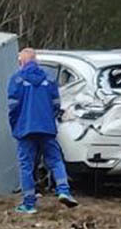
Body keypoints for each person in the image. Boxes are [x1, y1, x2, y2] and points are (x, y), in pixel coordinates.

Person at [7, 48, 78, 214]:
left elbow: (12, 108)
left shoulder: (16, 79)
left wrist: (15, 127)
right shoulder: (49, 78)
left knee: (26, 165)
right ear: (36, 60)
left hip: (25, 129)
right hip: (47, 128)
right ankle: (63, 190)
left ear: (21, 62)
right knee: (55, 160)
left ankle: (29, 204)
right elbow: (56, 105)